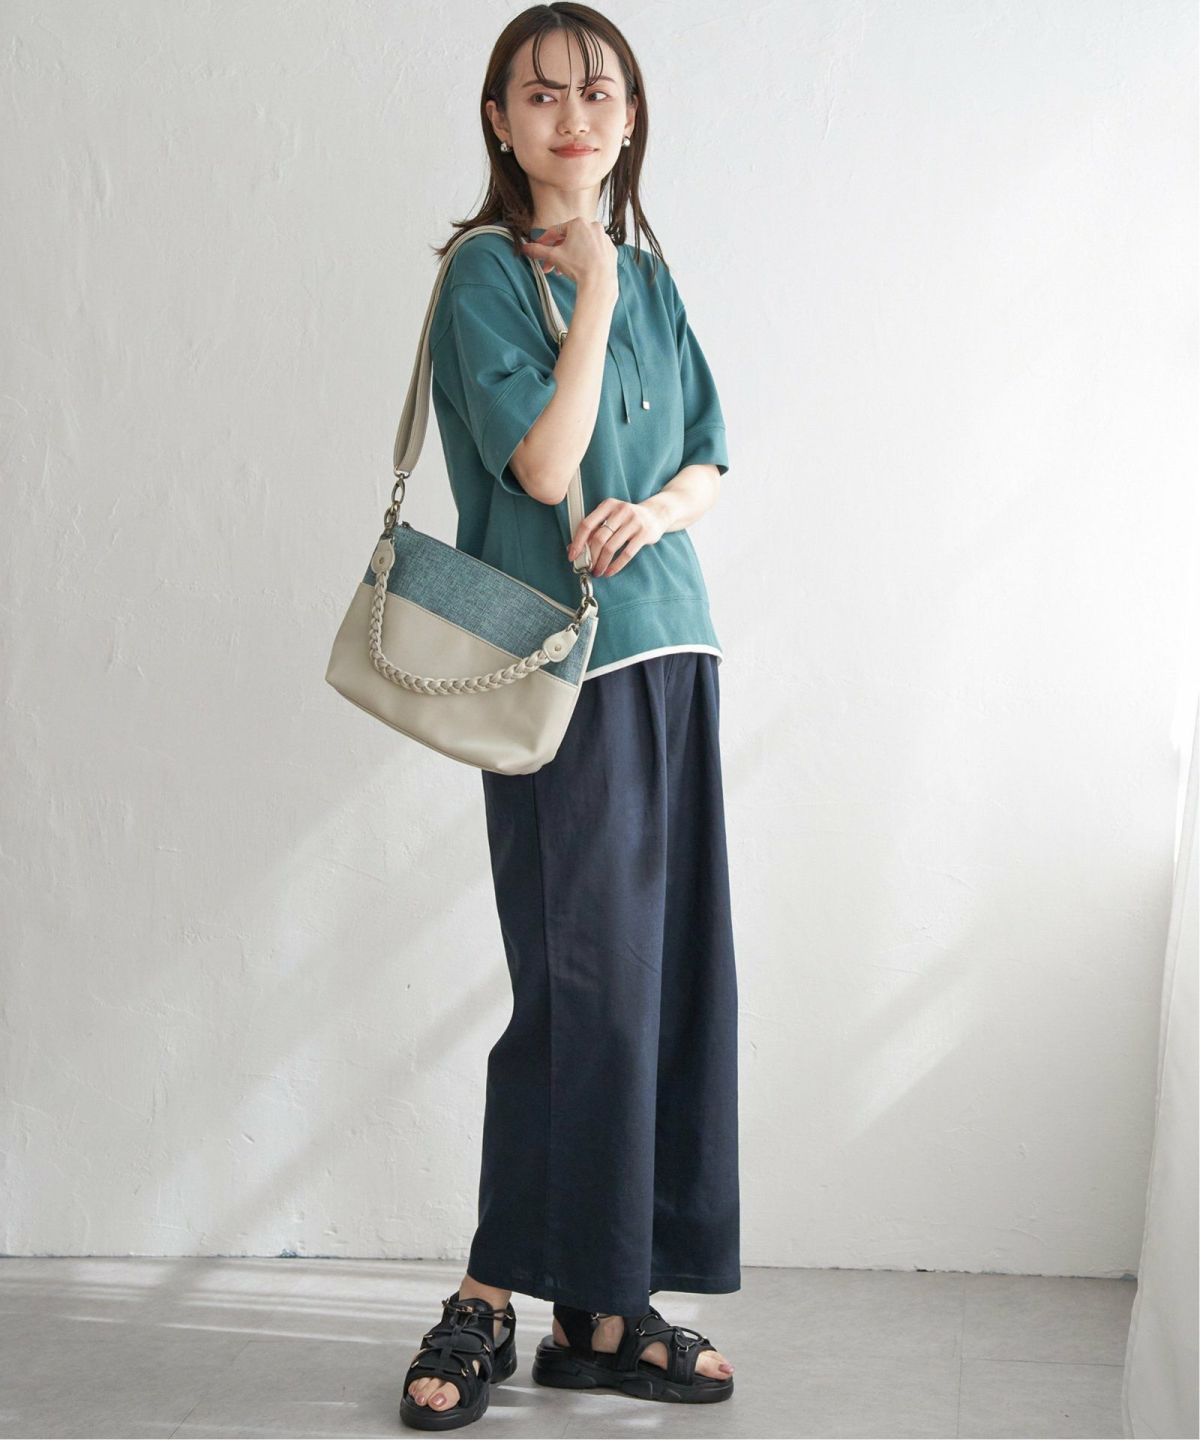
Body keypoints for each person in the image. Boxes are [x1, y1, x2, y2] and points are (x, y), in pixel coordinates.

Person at [399, 4, 741, 1428]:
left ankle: (605, 1308)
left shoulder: (653, 273)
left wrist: (656, 511)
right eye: (540, 95)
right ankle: (488, 1295)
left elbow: (709, 454)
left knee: (663, 990)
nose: (574, 115)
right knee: (578, 991)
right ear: (499, 120)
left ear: (632, 114)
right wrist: (588, 284)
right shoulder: (486, 274)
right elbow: (543, 468)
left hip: (672, 652)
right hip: (556, 675)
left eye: (599, 91)